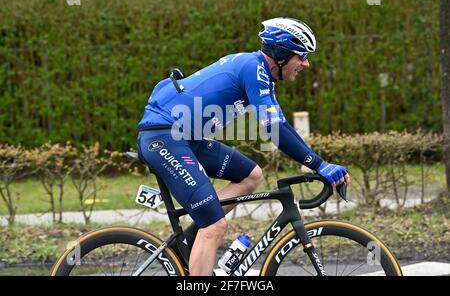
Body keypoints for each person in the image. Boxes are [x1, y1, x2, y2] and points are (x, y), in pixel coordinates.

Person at [136, 17, 351, 276]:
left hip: (185, 137)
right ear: (281, 55)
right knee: (215, 226)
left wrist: (319, 163)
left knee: (251, 175)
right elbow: (275, 131)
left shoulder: (260, 74)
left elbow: (278, 124)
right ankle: (206, 230)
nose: (305, 63)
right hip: (165, 137)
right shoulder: (254, 68)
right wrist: (321, 165)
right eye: (301, 56)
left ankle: (195, 236)